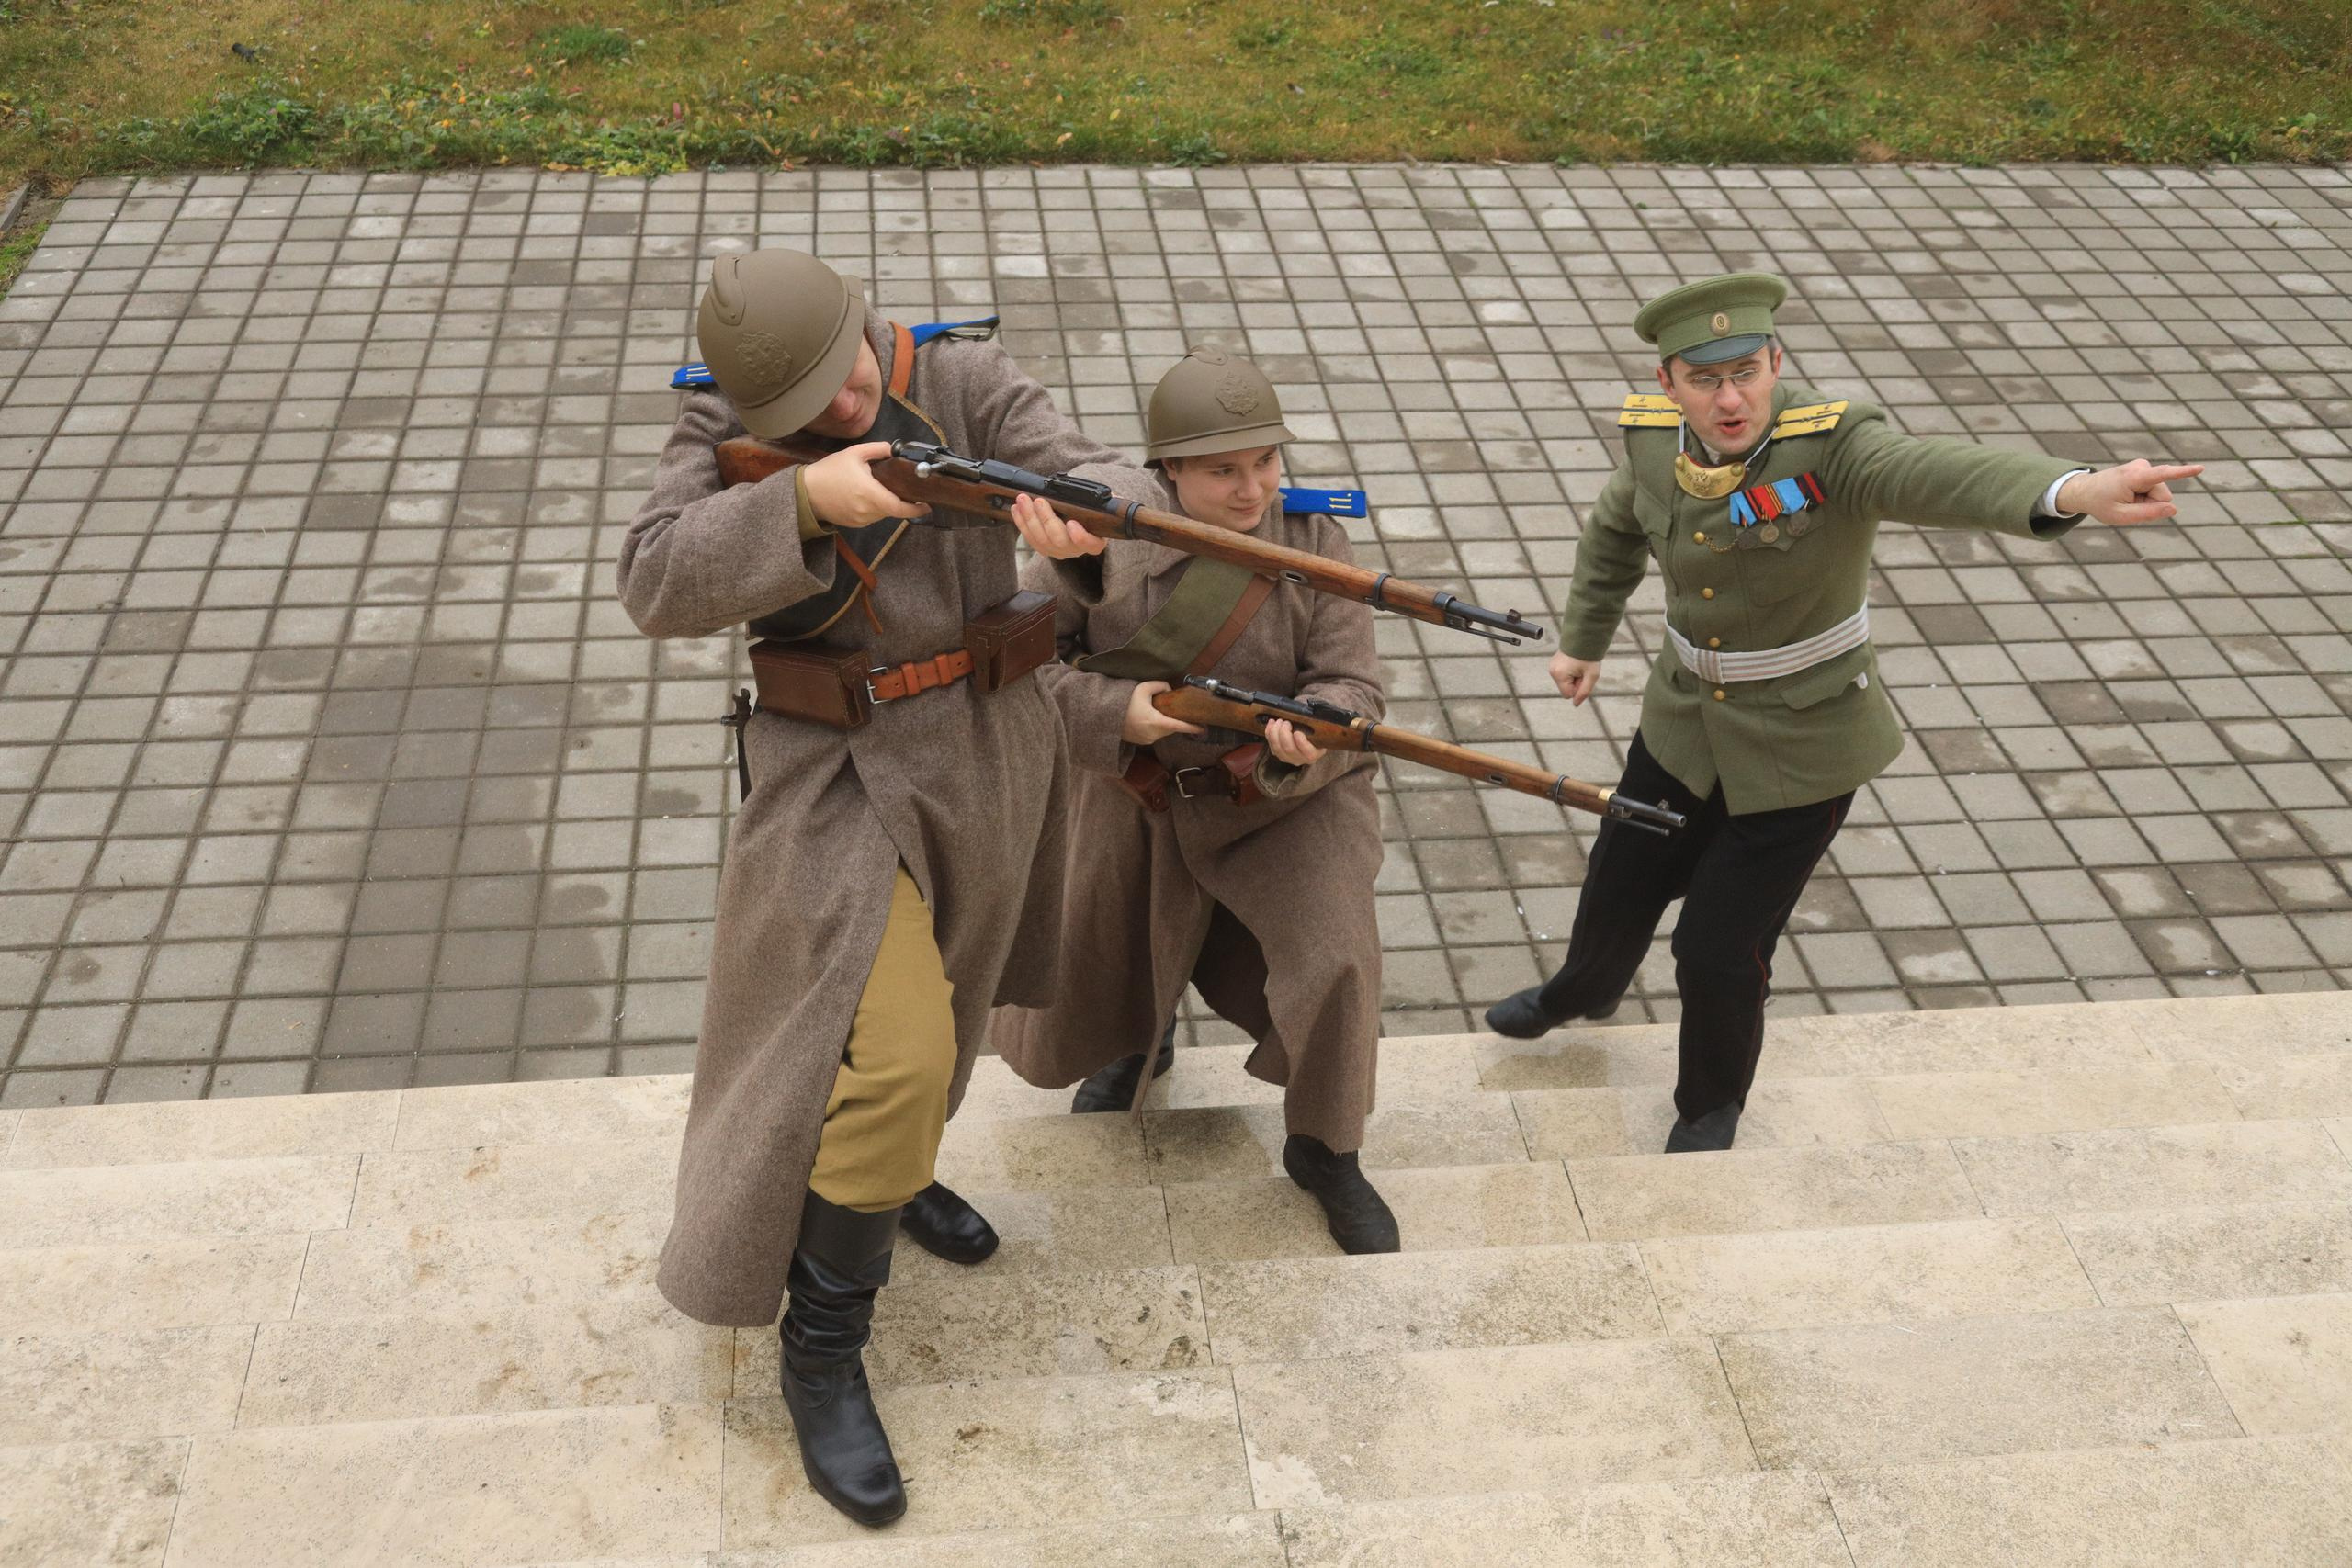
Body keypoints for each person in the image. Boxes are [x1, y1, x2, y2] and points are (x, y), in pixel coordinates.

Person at [617, 248, 1127, 1527]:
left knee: (948, 1017)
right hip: (835, 768)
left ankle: (886, 1182)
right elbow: (653, 575)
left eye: (844, 374)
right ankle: (823, 1350)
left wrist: (1081, 522)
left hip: (987, 747)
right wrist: (799, 504)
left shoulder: (957, 373)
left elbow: (1067, 458)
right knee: (891, 1053)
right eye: (801, 406)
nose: (842, 407)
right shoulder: (719, 430)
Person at [1485, 272, 2203, 1153]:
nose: (1731, 396)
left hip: (1803, 746)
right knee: (1619, 884)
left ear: (1777, 363)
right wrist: (1584, 639)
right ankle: (1582, 991)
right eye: (1705, 379)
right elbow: (1614, 532)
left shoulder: (1832, 446)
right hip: (1682, 726)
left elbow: (1933, 473)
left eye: (1747, 371)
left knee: (1716, 947)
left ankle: (1710, 1103)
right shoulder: (1650, 442)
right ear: (1669, 383)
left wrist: (2073, 490)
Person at [992, 347, 1399, 1255]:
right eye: (1223, 471)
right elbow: (1014, 676)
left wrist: (1315, 733)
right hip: (1133, 782)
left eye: (1265, 463)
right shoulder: (1092, 534)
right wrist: (1115, 716)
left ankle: (1326, 1143)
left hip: (1284, 797)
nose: (1253, 489)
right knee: (1108, 942)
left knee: (1337, 957)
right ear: (1167, 471)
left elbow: (1354, 687)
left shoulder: (1316, 540)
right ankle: (1135, 1047)